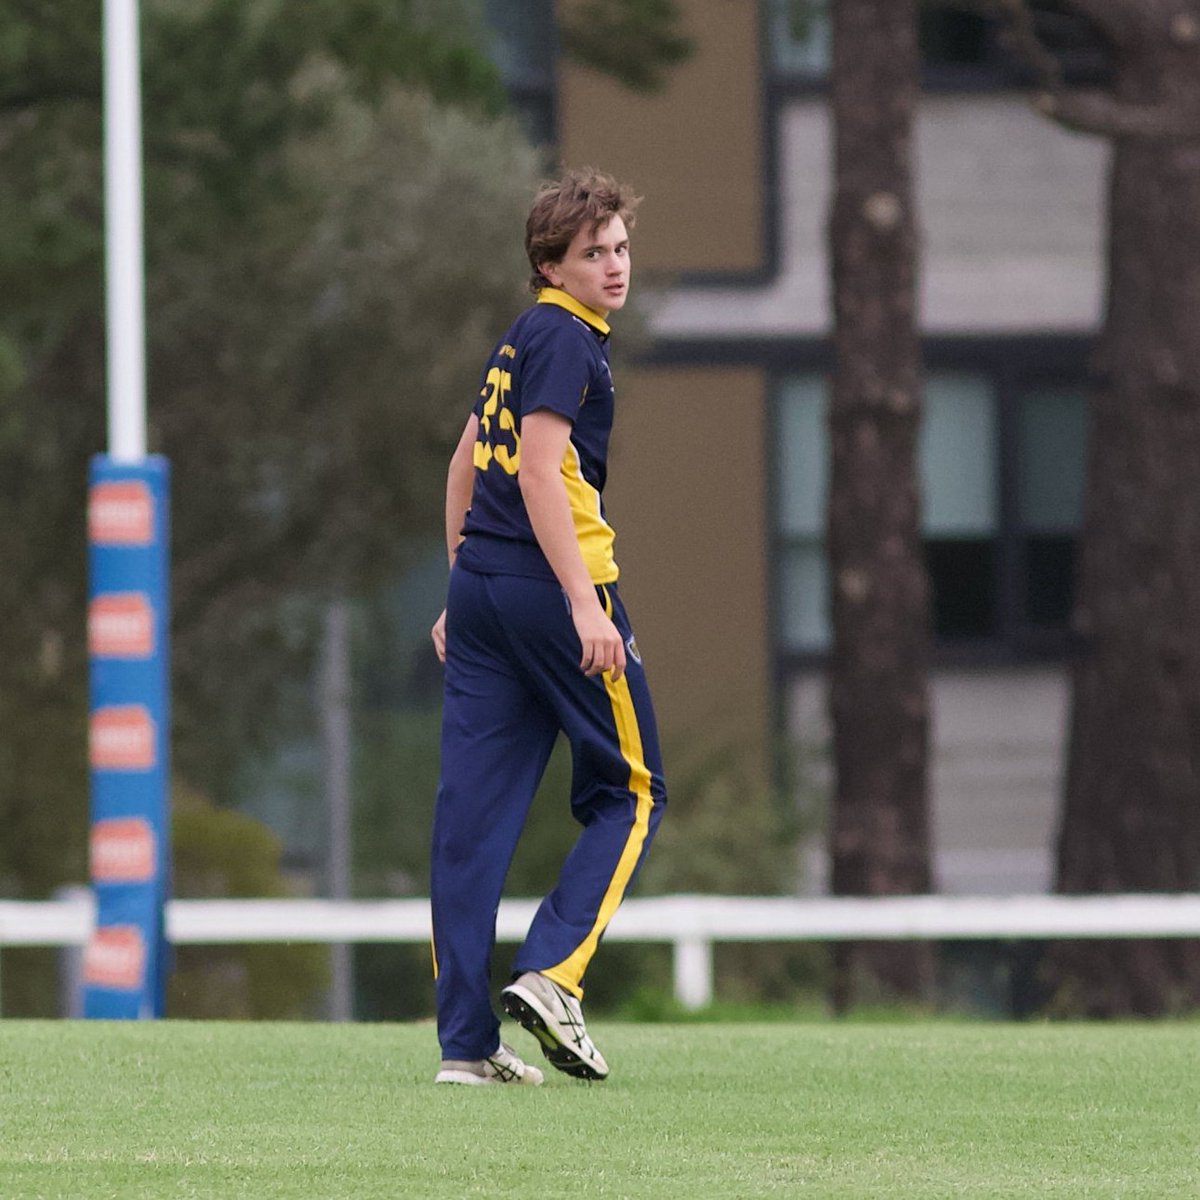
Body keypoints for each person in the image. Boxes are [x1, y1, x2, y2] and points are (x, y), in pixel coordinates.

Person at [428, 168, 667, 1086]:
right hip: (549, 591)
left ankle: (464, 1047)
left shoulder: (521, 335)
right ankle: (553, 976)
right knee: (632, 791)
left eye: (620, 248)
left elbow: (463, 460)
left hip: (486, 591)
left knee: (470, 823)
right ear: (550, 265)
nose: (614, 267)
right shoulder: (567, 338)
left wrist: (461, 583)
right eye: (592, 253)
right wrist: (579, 602)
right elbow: (534, 471)